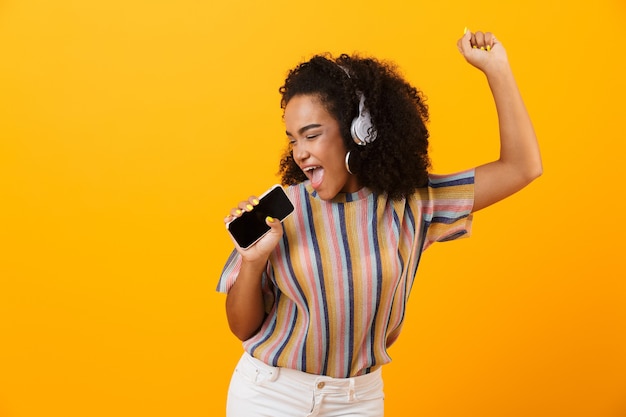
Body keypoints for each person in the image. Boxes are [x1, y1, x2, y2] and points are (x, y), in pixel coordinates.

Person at [216, 28, 542, 417]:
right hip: (270, 395)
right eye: (293, 140)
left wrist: (497, 69)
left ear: (360, 132)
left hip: (357, 400)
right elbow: (243, 328)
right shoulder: (284, 211)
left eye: (312, 135)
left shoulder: (413, 203)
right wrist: (252, 263)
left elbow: (522, 167)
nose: (301, 153)